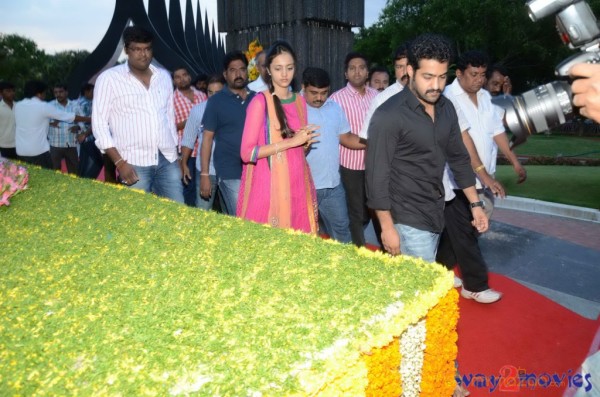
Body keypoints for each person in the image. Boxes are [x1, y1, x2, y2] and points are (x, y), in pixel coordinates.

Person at [365, 33, 489, 263]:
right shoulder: (388, 115)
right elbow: (376, 176)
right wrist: (386, 226)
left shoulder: (446, 109)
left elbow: (459, 158)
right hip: (406, 216)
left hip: (436, 210)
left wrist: (475, 204)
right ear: (410, 71)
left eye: (442, 77)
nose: (436, 86)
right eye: (428, 77)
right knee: (422, 290)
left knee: (411, 289)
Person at [92, 26, 183, 203]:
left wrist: (176, 155)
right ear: (126, 50)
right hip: (132, 162)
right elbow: (99, 125)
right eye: (137, 49)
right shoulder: (109, 79)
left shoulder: (163, 77)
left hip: (167, 159)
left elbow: (169, 118)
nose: (144, 54)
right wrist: (119, 163)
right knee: (138, 219)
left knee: (178, 213)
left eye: (148, 48)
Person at [237, 40, 319, 233]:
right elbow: (247, 153)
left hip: (297, 184)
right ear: (268, 71)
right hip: (269, 186)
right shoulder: (259, 102)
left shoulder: (299, 101)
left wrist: (304, 145)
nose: (284, 74)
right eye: (278, 68)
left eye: (289, 68)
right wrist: (292, 142)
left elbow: (298, 151)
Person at [444, 50, 526, 218]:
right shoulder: (447, 97)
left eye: (482, 75)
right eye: (474, 74)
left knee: (476, 231)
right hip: (456, 184)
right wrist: (485, 176)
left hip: (487, 180)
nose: (479, 80)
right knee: (462, 237)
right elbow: (462, 140)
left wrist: (515, 162)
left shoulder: (486, 97)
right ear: (459, 73)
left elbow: (497, 132)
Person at [303, 67, 366, 243]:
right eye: (314, 93)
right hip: (306, 187)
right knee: (307, 235)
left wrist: (371, 142)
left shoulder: (334, 107)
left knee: (342, 230)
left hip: (333, 186)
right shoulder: (295, 108)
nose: (319, 98)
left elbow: (346, 137)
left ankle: (344, 268)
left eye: (324, 93)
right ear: (303, 88)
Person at [330, 52, 379, 246]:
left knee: (374, 208)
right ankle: (358, 252)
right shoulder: (336, 100)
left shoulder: (377, 97)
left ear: (367, 72)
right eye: (352, 68)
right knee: (356, 212)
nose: (357, 72)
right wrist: (373, 142)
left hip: (375, 163)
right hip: (350, 165)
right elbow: (340, 136)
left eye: (361, 68)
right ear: (345, 73)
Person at [199, 51, 255, 215]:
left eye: (242, 69)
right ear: (225, 74)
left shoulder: (258, 98)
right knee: (243, 216)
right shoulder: (216, 102)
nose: (238, 74)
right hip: (229, 171)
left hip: (256, 169)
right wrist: (205, 175)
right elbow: (207, 139)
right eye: (233, 70)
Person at [15, 80, 88, 169]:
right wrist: (91, 119)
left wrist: (79, 127)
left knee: (25, 177)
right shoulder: (44, 106)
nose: (45, 96)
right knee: (48, 177)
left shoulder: (18, 105)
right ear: (39, 94)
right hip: (40, 151)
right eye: (44, 93)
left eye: (60, 92)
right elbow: (67, 116)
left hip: (21, 151)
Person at [181, 74, 225, 210]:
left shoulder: (232, 109)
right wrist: (184, 163)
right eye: (210, 92)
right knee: (202, 212)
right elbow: (188, 138)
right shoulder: (198, 110)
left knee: (234, 213)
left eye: (217, 92)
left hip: (229, 171)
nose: (213, 96)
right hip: (206, 170)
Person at [173, 65, 208, 206]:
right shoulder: (171, 99)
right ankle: (189, 216)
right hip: (186, 150)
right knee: (188, 186)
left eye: (184, 75)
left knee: (205, 183)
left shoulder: (202, 95)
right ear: (174, 81)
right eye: (177, 77)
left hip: (204, 147)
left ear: (189, 76)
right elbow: (170, 127)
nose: (182, 79)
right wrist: (190, 122)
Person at [360, 42, 410, 140]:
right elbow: (367, 137)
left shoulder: (429, 95)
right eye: (399, 67)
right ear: (394, 68)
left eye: (408, 66)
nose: (405, 72)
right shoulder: (381, 100)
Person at [47, 84, 81, 174]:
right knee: (54, 173)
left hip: (71, 144)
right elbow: (42, 122)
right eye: (56, 92)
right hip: (55, 145)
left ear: (66, 92)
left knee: (74, 174)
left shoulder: (75, 105)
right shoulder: (49, 106)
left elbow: (82, 121)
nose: (58, 94)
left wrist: (78, 127)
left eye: (61, 92)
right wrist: (51, 123)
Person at [76, 83, 104, 179]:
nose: (95, 93)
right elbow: (93, 121)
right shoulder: (88, 104)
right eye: (93, 91)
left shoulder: (77, 102)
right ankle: (87, 182)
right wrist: (85, 134)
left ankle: (83, 182)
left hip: (83, 138)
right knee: (96, 162)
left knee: (85, 163)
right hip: (89, 137)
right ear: (86, 91)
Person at [0, 81, 17, 160]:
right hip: (3, 146)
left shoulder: (19, 106)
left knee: (21, 170)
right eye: (8, 91)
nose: (12, 93)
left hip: (19, 145)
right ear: (1, 93)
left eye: (13, 91)